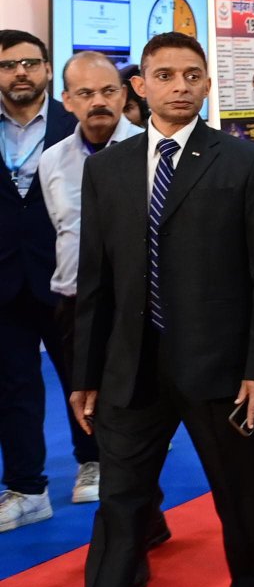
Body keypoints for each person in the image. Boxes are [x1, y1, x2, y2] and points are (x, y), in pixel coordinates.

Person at [30, 32, 254, 587]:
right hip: (130, 372)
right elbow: (96, 280)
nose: (181, 86)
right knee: (118, 515)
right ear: (140, 87)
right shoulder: (109, 170)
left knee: (241, 505)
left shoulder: (245, 162)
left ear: (207, 84)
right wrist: (84, 374)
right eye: (166, 75)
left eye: (192, 74)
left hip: (223, 373)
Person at [39, 53, 140, 511]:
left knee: (135, 409)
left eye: (107, 91)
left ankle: (139, 507)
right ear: (67, 101)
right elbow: (60, 229)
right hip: (75, 301)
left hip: (136, 301)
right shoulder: (52, 161)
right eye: (85, 93)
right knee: (84, 396)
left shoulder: (151, 148)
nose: (98, 101)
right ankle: (95, 467)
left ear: (123, 94)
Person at [0, 30, 76, 534]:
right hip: (4, 278)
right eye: (8, 65)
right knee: (13, 388)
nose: (20, 72)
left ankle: (94, 462)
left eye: (30, 63)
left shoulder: (76, 123)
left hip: (66, 275)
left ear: (48, 69)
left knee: (82, 378)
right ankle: (27, 488)